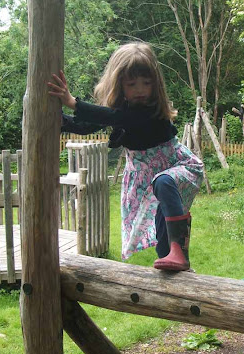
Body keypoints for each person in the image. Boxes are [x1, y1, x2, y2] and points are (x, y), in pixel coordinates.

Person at [48, 41, 203, 272]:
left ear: (156, 85)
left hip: (177, 168)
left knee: (164, 181)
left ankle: (179, 252)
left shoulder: (150, 113)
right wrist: (62, 121)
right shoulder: (122, 112)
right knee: (162, 232)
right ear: (119, 85)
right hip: (146, 180)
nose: (140, 89)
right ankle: (175, 261)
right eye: (132, 84)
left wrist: (73, 103)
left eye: (147, 83)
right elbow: (92, 124)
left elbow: (116, 118)